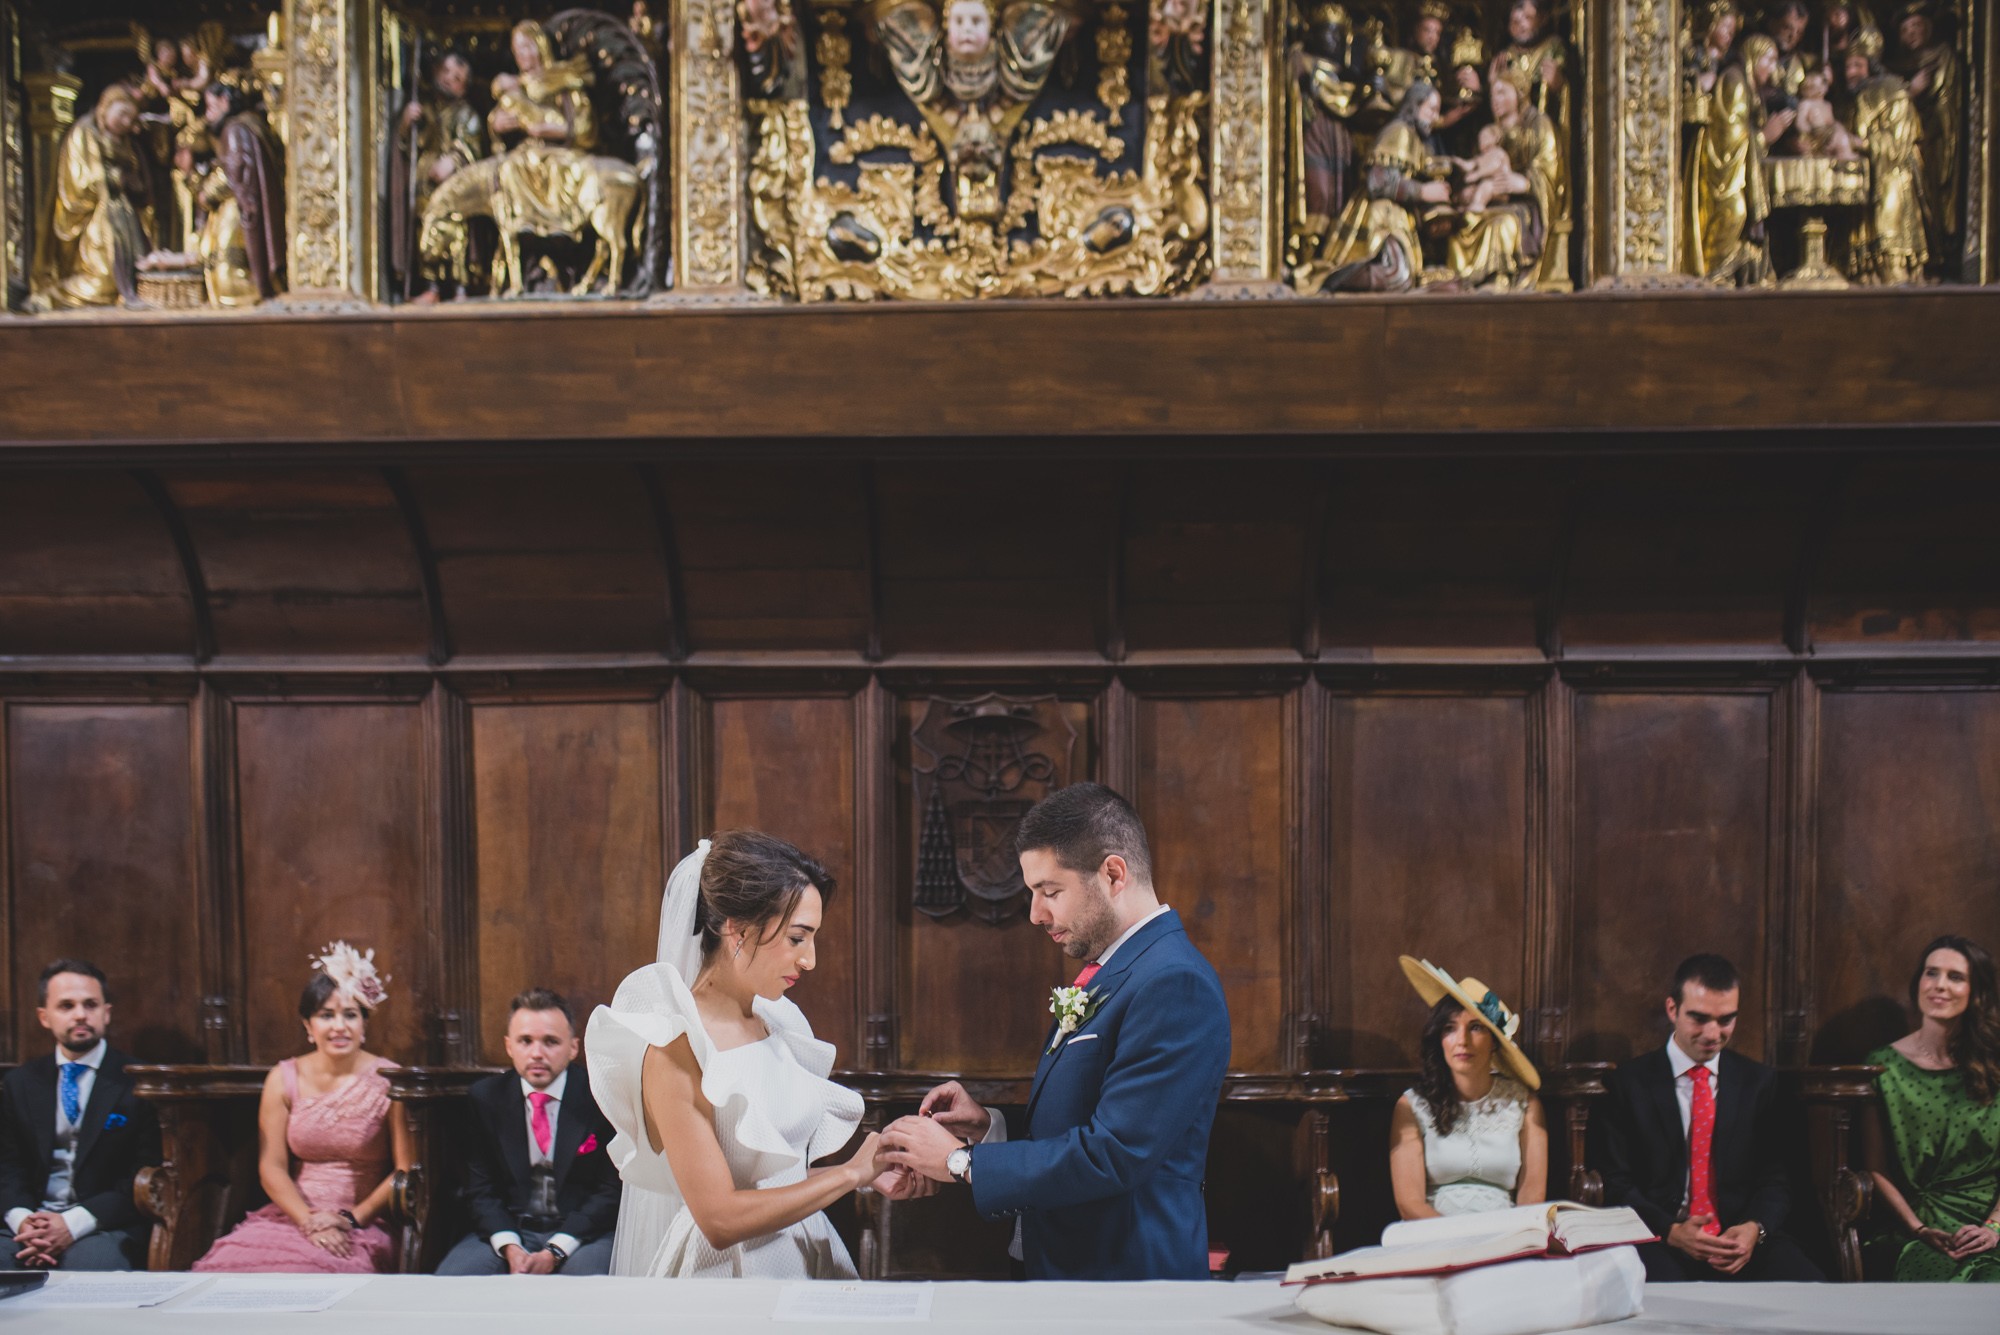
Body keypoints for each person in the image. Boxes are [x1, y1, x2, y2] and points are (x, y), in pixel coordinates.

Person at [880, 782, 1232, 1280]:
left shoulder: (1174, 982)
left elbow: (1116, 1153)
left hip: (1126, 1277)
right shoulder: (1119, 969)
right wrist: (990, 1129)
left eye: (1050, 892)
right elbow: (1083, 1122)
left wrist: (963, 1164)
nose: (1035, 913)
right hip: (1070, 1267)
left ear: (1113, 874)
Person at [587, 832, 899, 1278]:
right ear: (737, 928)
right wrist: (849, 1174)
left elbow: (778, 1185)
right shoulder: (676, 1047)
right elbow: (719, 1219)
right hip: (727, 1274)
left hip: (802, 1248)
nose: (810, 960)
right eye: (796, 938)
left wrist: (871, 1170)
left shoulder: (781, 1022)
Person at [1597, 954, 1823, 1282]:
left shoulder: (1759, 1082)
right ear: (1672, 1009)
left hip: (1740, 1239)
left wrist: (1753, 1229)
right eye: (1699, 1018)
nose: (1712, 1033)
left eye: (1726, 1019)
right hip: (1659, 1238)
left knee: (1814, 1292)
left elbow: (1777, 1179)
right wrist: (1671, 1230)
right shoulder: (1629, 1083)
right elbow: (1616, 1184)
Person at [194, 944, 408, 1272]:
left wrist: (349, 1220)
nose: (340, 1026)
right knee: (230, 1269)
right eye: (326, 1015)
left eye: (350, 1014)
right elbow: (272, 1166)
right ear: (308, 1026)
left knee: (318, 1271)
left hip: (364, 1220)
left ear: (364, 1024)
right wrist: (309, 1222)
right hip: (293, 1216)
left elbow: (404, 1172)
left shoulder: (391, 1080)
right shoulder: (282, 1078)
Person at [436, 989, 621, 1275]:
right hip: (510, 1229)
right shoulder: (485, 1099)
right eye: (525, 1041)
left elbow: (610, 1191)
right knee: (452, 1280)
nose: (537, 1053)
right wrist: (509, 1246)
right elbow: (480, 1190)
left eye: (550, 1042)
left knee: (587, 1287)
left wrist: (557, 1249)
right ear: (509, 1046)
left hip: (583, 1234)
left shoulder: (599, 1096)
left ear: (573, 1048)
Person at [0, 960, 161, 1270]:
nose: (80, 1015)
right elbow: (6, 1166)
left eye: (90, 1004)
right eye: (66, 1006)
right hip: (27, 1221)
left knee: (92, 1269)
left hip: (103, 1224)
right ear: (44, 1017)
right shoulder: (19, 1084)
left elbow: (144, 1173)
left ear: (106, 1012)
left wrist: (72, 1223)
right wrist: (24, 1223)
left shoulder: (139, 1083)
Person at [1863, 935, 2000, 1282]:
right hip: (1915, 1229)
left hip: (1988, 1223)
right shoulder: (1882, 1066)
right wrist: (1918, 1228)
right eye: (1931, 973)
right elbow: (1874, 1169)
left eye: (1955, 977)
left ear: (1976, 992)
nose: (1940, 985)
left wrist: (1994, 1226)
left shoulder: (1995, 1065)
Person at [1390, 958, 1546, 1219]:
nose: (1462, 1041)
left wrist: (1511, 1240)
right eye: (1450, 1028)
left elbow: (1532, 1194)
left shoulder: (1526, 1105)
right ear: (1439, 1039)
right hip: (1434, 1237)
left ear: (1494, 1042)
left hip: (1505, 1235)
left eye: (1475, 1028)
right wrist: (1458, 1243)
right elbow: (1409, 1202)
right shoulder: (1410, 1106)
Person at [27, 85, 153, 310]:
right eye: (122, 114)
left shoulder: (126, 143)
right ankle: (51, 297)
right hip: (96, 217)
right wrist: (115, 178)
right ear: (105, 108)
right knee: (103, 277)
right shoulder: (85, 132)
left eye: (130, 119)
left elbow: (138, 179)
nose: (125, 122)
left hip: (120, 213)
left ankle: (126, 294)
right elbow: (81, 180)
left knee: (134, 264)